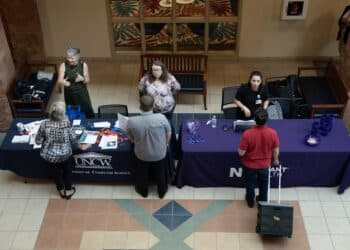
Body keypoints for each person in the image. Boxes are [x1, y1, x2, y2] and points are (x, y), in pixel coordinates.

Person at [35, 101, 91, 199]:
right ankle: (68, 190)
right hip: (65, 154)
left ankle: (61, 191)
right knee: (67, 172)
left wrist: (47, 138)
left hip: (50, 155)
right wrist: (83, 147)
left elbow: (38, 142)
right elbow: (74, 140)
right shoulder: (66, 123)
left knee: (56, 174)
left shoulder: (44, 124)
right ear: (62, 114)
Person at [126, 95, 171, 198]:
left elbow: (129, 135)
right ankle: (162, 191)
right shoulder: (161, 118)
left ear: (140, 106)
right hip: (159, 153)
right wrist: (165, 144)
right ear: (153, 106)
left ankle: (143, 191)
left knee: (142, 173)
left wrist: (134, 141)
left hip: (142, 154)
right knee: (160, 172)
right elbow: (169, 133)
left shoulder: (132, 121)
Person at [238, 107, 280, 208]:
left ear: (254, 119)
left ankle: (250, 201)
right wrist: (275, 160)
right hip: (264, 166)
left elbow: (241, 153)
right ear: (266, 120)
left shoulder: (247, 134)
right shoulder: (272, 133)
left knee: (250, 184)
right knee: (264, 186)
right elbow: (275, 149)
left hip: (249, 166)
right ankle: (262, 204)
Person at [138, 60, 181, 156]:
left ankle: (173, 149)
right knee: (157, 127)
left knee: (168, 126)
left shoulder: (169, 77)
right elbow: (140, 89)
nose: (155, 72)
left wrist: (170, 95)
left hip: (168, 109)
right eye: (153, 70)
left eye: (157, 70)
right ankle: (158, 145)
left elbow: (177, 87)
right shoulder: (146, 79)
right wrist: (147, 97)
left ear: (162, 70)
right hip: (154, 109)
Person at [57, 46, 95, 118]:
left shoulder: (83, 65)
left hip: (81, 93)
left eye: (72, 58)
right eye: (68, 58)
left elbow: (87, 80)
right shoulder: (63, 65)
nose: (70, 60)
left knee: (86, 111)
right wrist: (63, 82)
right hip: (69, 94)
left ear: (78, 57)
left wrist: (82, 79)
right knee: (72, 113)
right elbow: (59, 80)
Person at [337, 5, 350, 80]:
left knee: (347, 60)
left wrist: (348, 23)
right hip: (343, 36)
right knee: (341, 53)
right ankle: (340, 74)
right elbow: (339, 20)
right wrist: (343, 21)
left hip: (349, 39)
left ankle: (344, 80)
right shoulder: (348, 8)